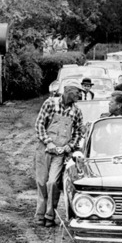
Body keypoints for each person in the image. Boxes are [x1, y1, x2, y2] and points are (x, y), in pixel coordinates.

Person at [35, 79, 84, 227]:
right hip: (45, 149)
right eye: (77, 92)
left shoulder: (76, 111)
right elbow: (39, 125)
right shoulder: (50, 103)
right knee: (41, 182)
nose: (79, 95)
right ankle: (40, 215)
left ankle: (50, 216)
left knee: (53, 183)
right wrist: (48, 142)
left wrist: (70, 146)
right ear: (68, 90)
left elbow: (78, 132)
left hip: (61, 153)